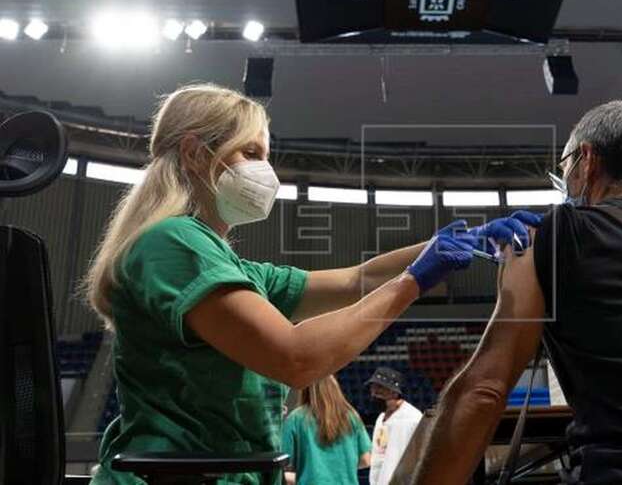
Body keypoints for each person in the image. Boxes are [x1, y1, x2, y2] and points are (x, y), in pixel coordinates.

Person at [83, 83, 522, 484]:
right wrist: (414, 281)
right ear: (196, 153)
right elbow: (295, 358)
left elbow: (356, 279)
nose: (267, 170)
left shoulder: (235, 268)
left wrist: (462, 240)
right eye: (251, 153)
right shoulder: (172, 242)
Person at [406, 99, 622, 484]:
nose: (564, 181)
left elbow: (483, 391)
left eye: (564, 167)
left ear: (586, 160)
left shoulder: (557, 234)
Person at [281, 376, 371, 485]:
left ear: (305, 390)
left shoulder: (295, 418)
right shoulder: (352, 416)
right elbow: (366, 460)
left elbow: (283, 462)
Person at [366, 367, 422, 485]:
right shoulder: (381, 417)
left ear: (394, 392)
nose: (374, 393)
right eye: (373, 388)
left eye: (379, 388)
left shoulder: (410, 419)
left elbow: (403, 461)